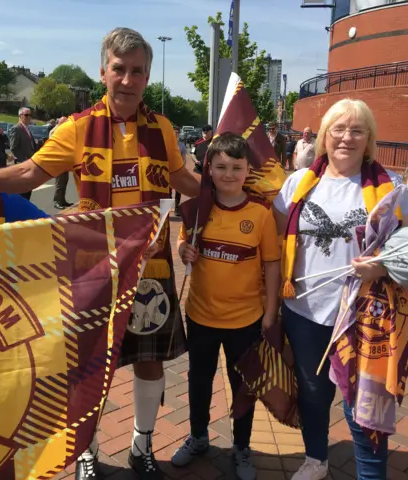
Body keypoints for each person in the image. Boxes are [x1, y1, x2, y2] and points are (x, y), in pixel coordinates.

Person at [0, 27, 200, 480]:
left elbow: (183, 182)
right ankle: (87, 449)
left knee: (148, 360)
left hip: (151, 264)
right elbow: (27, 173)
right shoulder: (77, 127)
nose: (127, 80)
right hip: (91, 267)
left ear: (147, 77)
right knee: (88, 364)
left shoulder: (161, 128)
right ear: (104, 71)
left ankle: (141, 446)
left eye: (137, 71)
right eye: (119, 70)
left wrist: (233, 189)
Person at [272, 99, 408, 480]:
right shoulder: (298, 183)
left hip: (363, 315)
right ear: (324, 135)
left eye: (357, 130)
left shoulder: (393, 190)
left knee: (362, 405)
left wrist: (384, 264)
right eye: (338, 128)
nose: (346, 138)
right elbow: (274, 237)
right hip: (305, 311)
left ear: (369, 138)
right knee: (313, 393)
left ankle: (370, 475)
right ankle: (316, 460)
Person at [172, 133, 280, 480]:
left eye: (236, 167)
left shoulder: (260, 214)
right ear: (209, 169)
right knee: (199, 381)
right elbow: (183, 243)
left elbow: (272, 265)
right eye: (220, 167)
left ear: (248, 169)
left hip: (245, 319)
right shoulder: (197, 208)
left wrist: (271, 310)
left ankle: (242, 446)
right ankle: (198, 436)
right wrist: (182, 251)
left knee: (242, 386)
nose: (228, 174)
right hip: (201, 315)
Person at [9, 107, 37, 200]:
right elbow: (14, 147)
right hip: (23, 164)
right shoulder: (16, 129)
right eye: (26, 115)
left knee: (28, 190)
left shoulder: (27, 129)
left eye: (30, 115)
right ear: (20, 116)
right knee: (22, 192)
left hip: (31, 162)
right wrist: (23, 160)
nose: (29, 117)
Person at [50, 116, 73, 209]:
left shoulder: (61, 130)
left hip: (64, 159)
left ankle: (62, 200)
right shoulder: (55, 131)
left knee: (64, 180)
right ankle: (57, 201)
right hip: (58, 159)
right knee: (59, 182)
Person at [173, 125, 187, 217]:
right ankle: (166, 208)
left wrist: (182, 169)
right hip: (168, 170)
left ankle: (176, 208)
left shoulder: (181, 145)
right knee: (167, 191)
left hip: (178, 170)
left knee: (178, 190)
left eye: (177, 132)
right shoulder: (166, 143)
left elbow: (184, 158)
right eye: (174, 132)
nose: (175, 134)